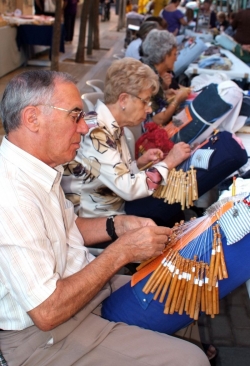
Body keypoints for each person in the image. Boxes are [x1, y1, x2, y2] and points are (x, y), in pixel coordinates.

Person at [0, 70, 209, 366]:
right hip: (45, 337)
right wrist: (122, 251)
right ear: (32, 118)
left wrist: (118, 225)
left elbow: (65, 228)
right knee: (191, 360)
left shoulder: (41, 167)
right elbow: (46, 312)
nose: (85, 128)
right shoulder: (10, 193)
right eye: (75, 116)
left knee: (179, 291)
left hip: (81, 297)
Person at [61, 58, 191, 224]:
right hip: (95, 220)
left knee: (172, 207)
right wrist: (169, 162)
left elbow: (115, 175)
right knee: (169, 210)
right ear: (123, 100)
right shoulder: (96, 132)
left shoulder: (111, 125)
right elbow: (127, 189)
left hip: (114, 208)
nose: (149, 108)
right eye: (145, 101)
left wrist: (139, 163)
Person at [141, 29, 190, 127]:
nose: (176, 59)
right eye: (174, 54)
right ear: (164, 55)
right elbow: (159, 119)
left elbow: (153, 99)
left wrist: (164, 92)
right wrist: (177, 100)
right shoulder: (151, 77)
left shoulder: (148, 67)